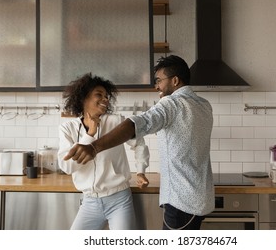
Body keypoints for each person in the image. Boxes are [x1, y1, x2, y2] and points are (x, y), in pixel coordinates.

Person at [64, 55, 214, 230]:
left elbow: (137, 124)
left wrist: (94, 147)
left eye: (159, 80)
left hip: (181, 200)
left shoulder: (171, 104)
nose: (156, 86)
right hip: (201, 196)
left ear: (174, 81)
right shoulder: (204, 105)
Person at [57, 73, 150, 230]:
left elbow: (139, 143)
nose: (105, 99)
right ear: (83, 98)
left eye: (106, 96)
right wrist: (89, 135)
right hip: (89, 202)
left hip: (119, 200)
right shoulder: (68, 129)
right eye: (98, 95)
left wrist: (140, 171)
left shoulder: (116, 121)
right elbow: (67, 167)